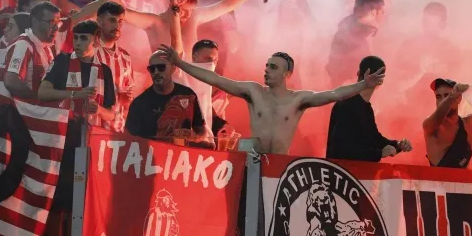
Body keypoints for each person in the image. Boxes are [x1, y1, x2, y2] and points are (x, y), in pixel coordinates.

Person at [157, 46, 386, 154]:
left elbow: (335, 94)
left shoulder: (299, 99)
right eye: (267, 65)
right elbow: (214, 78)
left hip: (278, 165)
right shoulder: (253, 92)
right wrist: (180, 62)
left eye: (273, 67)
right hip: (251, 161)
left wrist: (364, 84)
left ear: (287, 74)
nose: (266, 70)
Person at [37, 20, 115, 236]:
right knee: (58, 197)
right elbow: (43, 92)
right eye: (76, 38)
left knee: (84, 199)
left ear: (96, 41)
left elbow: (111, 113)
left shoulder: (105, 71)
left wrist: (98, 110)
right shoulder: (62, 61)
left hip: (92, 140)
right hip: (64, 137)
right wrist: (75, 93)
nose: (78, 43)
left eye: (84, 38)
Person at [326, 56, 411, 162]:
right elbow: (342, 150)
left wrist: (397, 145)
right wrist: (379, 153)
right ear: (381, 80)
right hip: (344, 175)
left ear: (358, 73)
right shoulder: (347, 105)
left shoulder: (363, 107)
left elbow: (374, 138)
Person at [125, 51, 212, 147]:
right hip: (151, 157)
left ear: (173, 69)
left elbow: (201, 129)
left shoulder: (189, 95)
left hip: (182, 157)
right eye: (152, 69)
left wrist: (195, 137)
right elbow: (129, 140)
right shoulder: (139, 103)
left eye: (161, 67)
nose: (156, 72)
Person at [326, 0, 386, 85]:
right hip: (349, 88)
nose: (383, 15)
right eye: (382, 11)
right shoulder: (352, 35)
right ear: (373, 12)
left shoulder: (352, 27)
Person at [3, 1, 60, 98]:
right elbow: (11, 82)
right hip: (26, 111)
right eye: (52, 22)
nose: (56, 28)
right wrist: (37, 99)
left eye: (58, 23)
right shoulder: (23, 45)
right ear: (35, 22)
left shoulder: (46, 47)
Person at [94, 1, 135, 132]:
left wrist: (126, 100)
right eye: (112, 20)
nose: (117, 25)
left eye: (120, 21)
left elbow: (128, 98)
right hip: (92, 129)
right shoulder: (89, 52)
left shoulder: (126, 57)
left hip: (117, 131)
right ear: (99, 21)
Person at [423, 79, 472, 169]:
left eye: (446, 95)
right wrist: (451, 96)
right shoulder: (430, 125)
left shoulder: (469, 122)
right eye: (438, 97)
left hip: (466, 182)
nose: (442, 100)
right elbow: (439, 114)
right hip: (439, 182)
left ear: (459, 98)